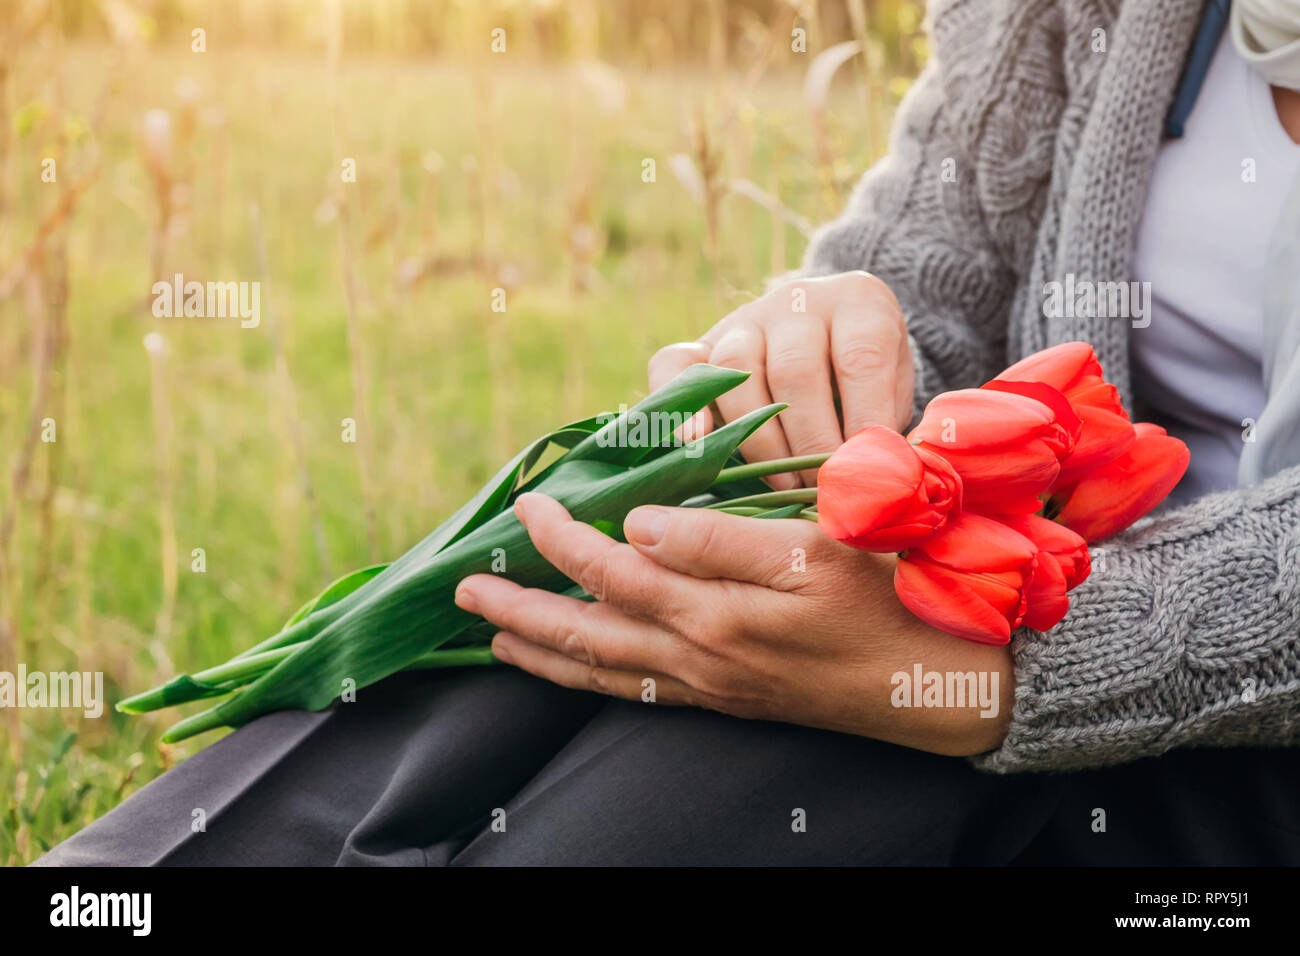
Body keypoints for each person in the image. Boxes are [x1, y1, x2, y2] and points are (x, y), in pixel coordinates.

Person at [39, 0, 1300, 866]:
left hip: (1223, 731)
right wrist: (822, 353)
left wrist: (1004, 675)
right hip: (1023, 573)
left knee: (745, 752)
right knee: (578, 595)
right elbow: (940, 258)